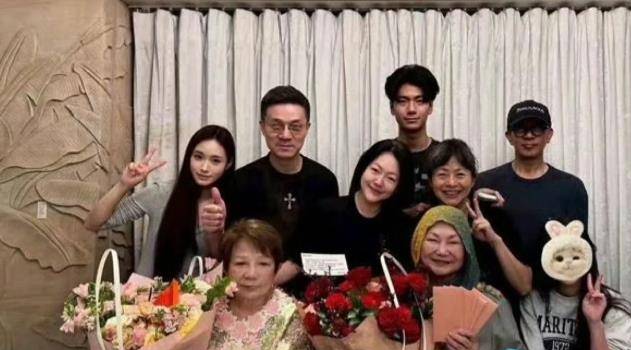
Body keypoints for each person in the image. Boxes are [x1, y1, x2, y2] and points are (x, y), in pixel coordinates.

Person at [332, 206, 540, 350]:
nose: (442, 250)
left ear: (467, 249)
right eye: (432, 240)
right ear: (417, 245)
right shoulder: (392, 297)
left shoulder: (490, 303)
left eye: (453, 242)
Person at [86, 219, 311, 350]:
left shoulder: (292, 315)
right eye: (240, 263)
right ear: (226, 268)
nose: (251, 274)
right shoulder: (203, 304)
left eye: (263, 263)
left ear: (276, 269)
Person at [199, 86, 339, 287]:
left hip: (309, 291)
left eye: (295, 127)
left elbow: (325, 247)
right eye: (276, 126)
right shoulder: (241, 181)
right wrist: (214, 231)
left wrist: (274, 280)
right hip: (250, 286)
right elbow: (225, 253)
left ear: (307, 128)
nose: (285, 135)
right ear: (262, 127)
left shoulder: (324, 181)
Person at [520, 220, 631, 350]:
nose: (568, 263)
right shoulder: (533, 302)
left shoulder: (614, 308)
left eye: (575, 256)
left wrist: (595, 323)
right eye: (559, 257)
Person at [84, 125, 236, 279]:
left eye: (215, 161)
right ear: (189, 156)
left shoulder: (235, 201)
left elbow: (224, 266)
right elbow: (93, 223)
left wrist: (214, 233)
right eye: (198, 157)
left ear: (228, 164)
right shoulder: (162, 193)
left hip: (198, 293)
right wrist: (123, 185)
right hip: (147, 292)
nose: (204, 167)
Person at [475, 100, 589, 288]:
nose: (528, 136)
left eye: (536, 129)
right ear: (509, 136)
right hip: (496, 292)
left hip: (552, 292)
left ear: (549, 135)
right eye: (521, 129)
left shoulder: (571, 187)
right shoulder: (485, 184)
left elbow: (579, 248)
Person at [424, 139, 531, 300]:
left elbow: (524, 286)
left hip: (494, 310)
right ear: (431, 182)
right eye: (442, 175)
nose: (451, 183)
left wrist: (494, 241)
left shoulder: (495, 217)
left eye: (460, 175)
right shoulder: (423, 222)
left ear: (473, 180)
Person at [290, 139, 414, 276]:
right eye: (375, 170)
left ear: (398, 187)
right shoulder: (323, 212)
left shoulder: (401, 227)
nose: (379, 182)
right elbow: (296, 262)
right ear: (363, 167)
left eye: (390, 178)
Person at [385, 64, 440, 218]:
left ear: (430, 107)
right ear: (392, 108)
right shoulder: (380, 157)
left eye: (419, 101)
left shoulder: (445, 156)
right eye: (403, 101)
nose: (411, 109)